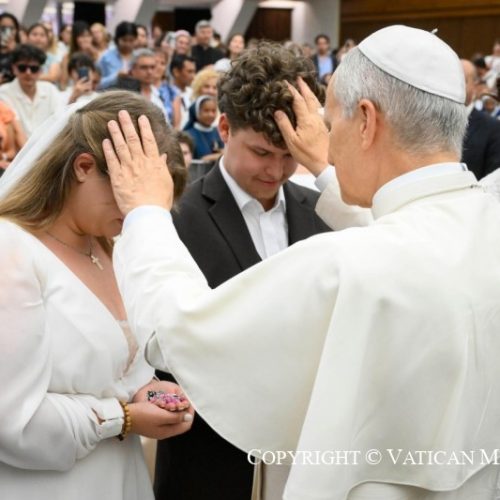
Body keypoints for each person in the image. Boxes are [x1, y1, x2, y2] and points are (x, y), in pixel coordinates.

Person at [107, 25, 500, 500]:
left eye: (328, 125)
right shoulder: (486, 220)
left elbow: (179, 332)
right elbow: (410, 239)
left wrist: (145, 212)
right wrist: (328, 173)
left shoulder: (348, 263)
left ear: (366, 121)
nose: (321, 146)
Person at [156, 42, 331, 500]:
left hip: (305, 460)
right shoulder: (176, 217)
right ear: (225, 127)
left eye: (289, 154)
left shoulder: (324, 211)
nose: (276, 170)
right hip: (208, 461)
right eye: (261, 152)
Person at [0, 90, 192, 500]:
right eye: (128, 193)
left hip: (121, 478)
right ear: (84, 167)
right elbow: (12, 421)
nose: (136, 212)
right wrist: (122, 417)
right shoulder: (11, 252)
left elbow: (117, 370)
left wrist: (150, 391)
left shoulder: (111, 245)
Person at [0, 44, 62, 137]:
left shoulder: (50, 90)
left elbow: (59, 122)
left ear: (41, 70)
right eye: (22, 68)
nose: (28, 73)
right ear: (14, 68)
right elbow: (16, 132)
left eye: (34, 69)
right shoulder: (3, 93)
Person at [461, 59, 500, 179]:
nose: (454, 86)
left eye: (463, 80)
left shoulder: (493, 128)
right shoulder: (429, 120)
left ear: (475, 85)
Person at [98, 22, 137, 89]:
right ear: (117, 39)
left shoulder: (138, 57)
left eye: (131, 40)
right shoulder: (106, 57)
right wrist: (116, 77)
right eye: (124, 40)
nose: (127, 44)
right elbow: (98, 83)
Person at [183, 95, 223, 161]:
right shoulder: (188, 135)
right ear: (197, 112)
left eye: (213, 111)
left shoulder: (218, 131)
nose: (210, 115)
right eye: (206, 111)